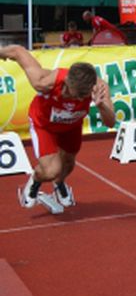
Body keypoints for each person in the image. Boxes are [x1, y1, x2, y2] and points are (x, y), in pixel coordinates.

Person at [0, 46, 116, 209]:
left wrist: (102, 106)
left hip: (71, 126)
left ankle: (59, 184)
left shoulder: (100, 89)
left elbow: (110, 122)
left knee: (68, 164)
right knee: (51, 171)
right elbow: (18, 52)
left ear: (85, 93)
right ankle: (35, 181)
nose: (65, 92)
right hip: (44, 124)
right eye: (66, 87)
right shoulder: (45, 81)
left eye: (71, 93)